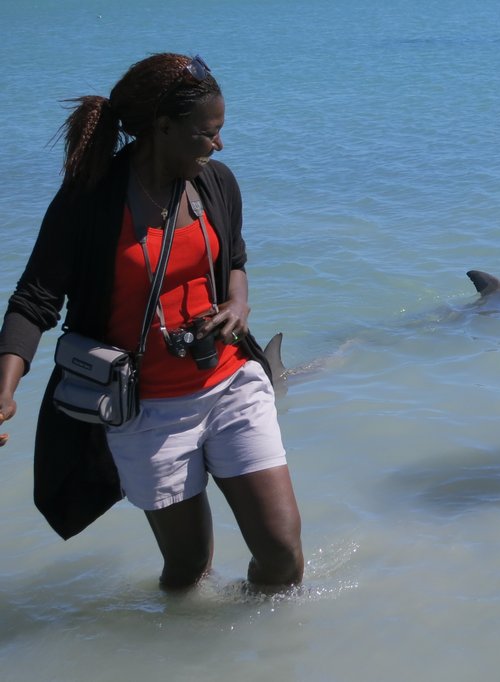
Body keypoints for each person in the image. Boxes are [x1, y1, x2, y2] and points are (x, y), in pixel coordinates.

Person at [0, 54, 303, 589]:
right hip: (148, 412)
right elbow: (34, 299)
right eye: (207, 134)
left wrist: (237, 306)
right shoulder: (90, 200)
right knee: (188, 570)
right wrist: (4, 390)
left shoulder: (217, 184)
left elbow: (235, 260)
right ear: (163, 129)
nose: (219, 145)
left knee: (282, 557)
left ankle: (260, 654)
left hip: (231, 383)